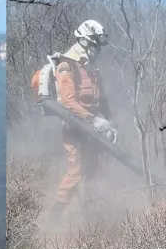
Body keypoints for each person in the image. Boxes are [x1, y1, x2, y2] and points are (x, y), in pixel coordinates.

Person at [47, 19, 116, 222]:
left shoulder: (90, 67)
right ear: (85, 42)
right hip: (74, 127)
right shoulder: (67, 66)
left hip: (93, 128)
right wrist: (94, 120)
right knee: (75, 173)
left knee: (93, 169)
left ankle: (90, 215)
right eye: (95, 45)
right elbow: (68, 101)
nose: (98, 50)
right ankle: (54, 219)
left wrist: (111, 122)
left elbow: (101, 98)